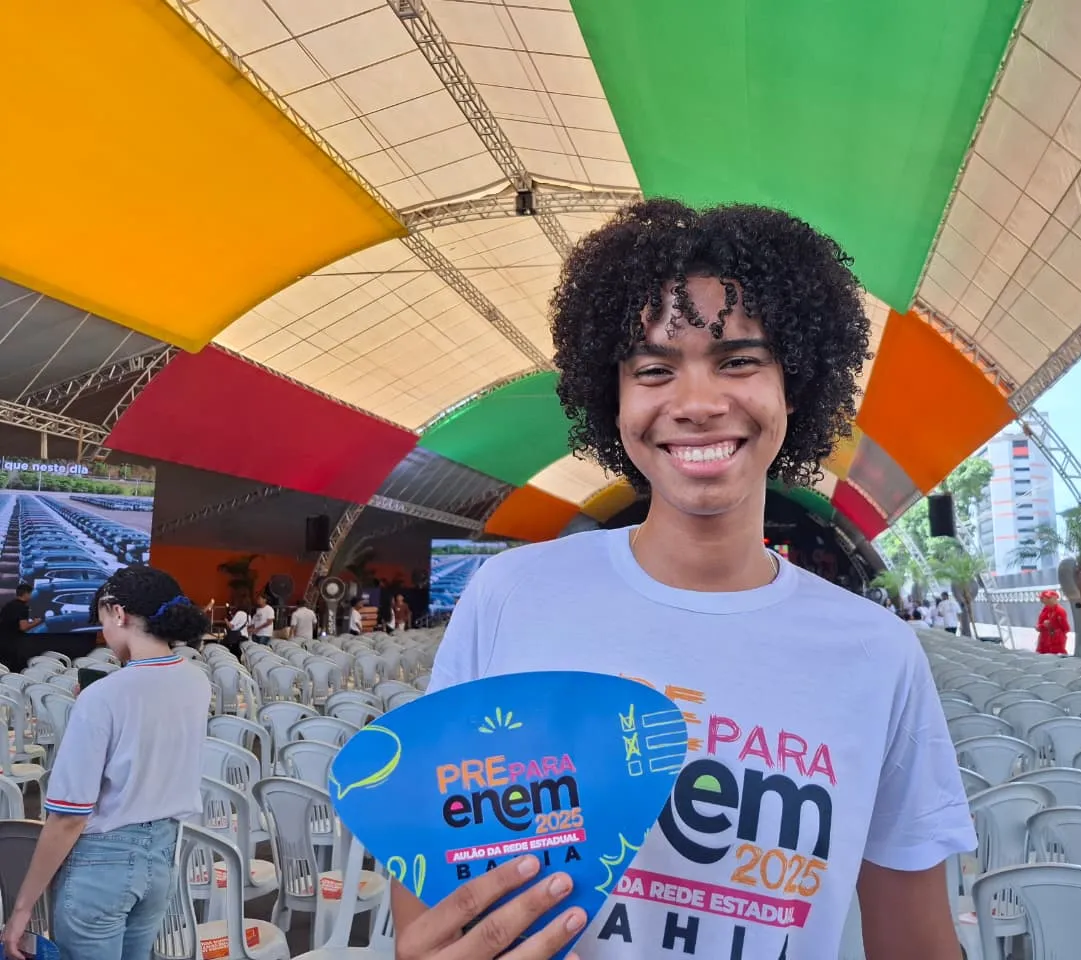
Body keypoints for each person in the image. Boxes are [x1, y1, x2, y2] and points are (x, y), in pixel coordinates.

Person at [394, 200, 974, 958]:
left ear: (794, 387)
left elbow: (915, 944)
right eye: (655, 370)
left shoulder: (877, 654)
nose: (697, 403)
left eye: (738, 360)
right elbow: (433, 866)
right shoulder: (509, 597)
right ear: (616, 400)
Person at [1, 565, 211, 960]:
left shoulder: (103, 697)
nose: (104, 634)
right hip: (163, 857)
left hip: (101, 865)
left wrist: (21, 909)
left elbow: (68, 817)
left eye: (102, 620)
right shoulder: (197, 681)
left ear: (118, 612)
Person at [0, 583, 42, 673]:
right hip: (14, 644)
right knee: (16, 669)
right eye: (31, 593)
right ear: (26, 594)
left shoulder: (8, 605)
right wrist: (35, 623)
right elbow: (23, 627)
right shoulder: (23, 608)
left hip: (3, 642)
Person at [1036, 589, 1070, 655]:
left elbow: (1066, 628)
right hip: (1045, 639)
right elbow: (1040, 623)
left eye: (1047, 598)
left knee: (1055, 655)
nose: (1043, 600)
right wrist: (1040, 627)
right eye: (1042, 598)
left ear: (1054, 599)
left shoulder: (1060, 611)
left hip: (1055, 640)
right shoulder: (1046, 609)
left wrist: (1053, 629)